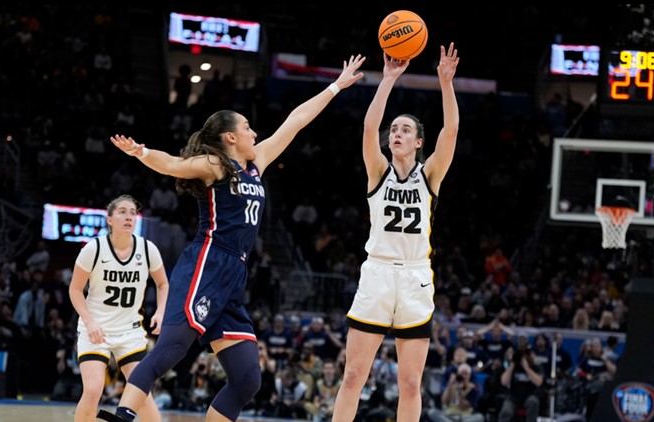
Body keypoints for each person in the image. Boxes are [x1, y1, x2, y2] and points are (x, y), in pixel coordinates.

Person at [97, 53, 366, 422]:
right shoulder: (215, 166)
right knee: (174, 346)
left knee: (246, 378)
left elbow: (296, 121)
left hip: (235, 272)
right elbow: (173, 164)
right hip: (207, 261)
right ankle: (124, 414)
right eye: (248, 127)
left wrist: (336, 85)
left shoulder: (256, 163)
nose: (256, 132)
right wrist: (141, 152)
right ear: (231, 137)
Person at [331, 43, 460, 422]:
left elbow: (451, 129)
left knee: (410, 383)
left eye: (406, 129)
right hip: (378, 272)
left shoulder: (430, 174)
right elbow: (370, 126)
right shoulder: (378, 170)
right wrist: (387, 79)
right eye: (396, 129)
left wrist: (445, 83)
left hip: (416, 277)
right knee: (353, 374)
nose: (397, 133)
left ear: (419, 142)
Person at [69, 194, 169, 422]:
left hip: (130, 331)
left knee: (141, 395)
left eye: (133, 213)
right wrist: (89, 321)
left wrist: (161, 312)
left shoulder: (147, 249)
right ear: (110, 219)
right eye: (122, 212)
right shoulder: (94, 249)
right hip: (96, 329)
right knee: (93, 390)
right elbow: (75, 289)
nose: (128, 217)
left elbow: (163, 283)